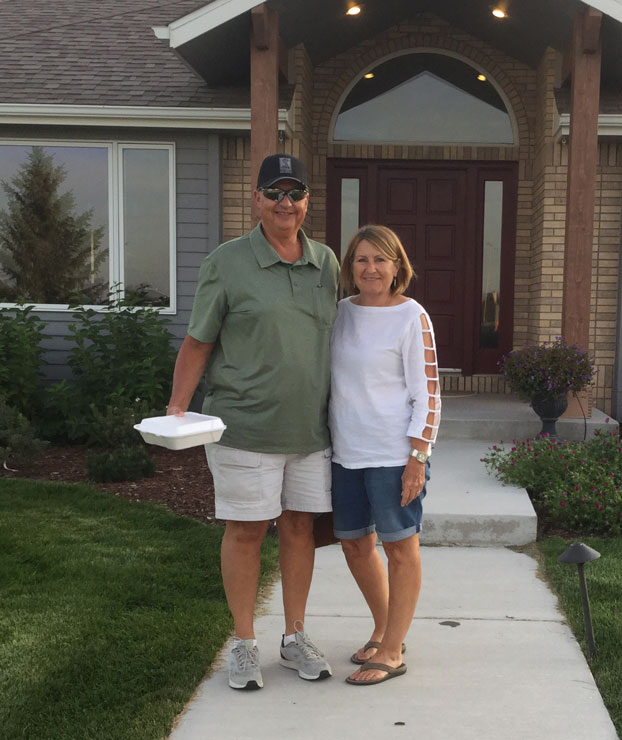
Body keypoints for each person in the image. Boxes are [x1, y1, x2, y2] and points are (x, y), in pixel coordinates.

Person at [167, 154, 339, 690]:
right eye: (275, 192)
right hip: (244, 428)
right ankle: (243, 644)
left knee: (299, 530)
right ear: (257, 198)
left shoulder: (327, 263)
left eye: (295, 192)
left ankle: (294, 637)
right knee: (245, 532)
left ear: (307, 200)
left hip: (310, 432)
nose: (286, 203)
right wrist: (176, 410)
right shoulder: (226, 262)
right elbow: (199, 341)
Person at [328, 224, 441, 686]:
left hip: (394, 453)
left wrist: (418, 456)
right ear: (350, 267)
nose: (370, 268)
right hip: (344, 451)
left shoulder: (412, 316)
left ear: (397, 266)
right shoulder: (340, 313)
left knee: (399, 548)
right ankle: (383, 629)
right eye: (361, 259)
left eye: (380, 259)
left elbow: (428, 393)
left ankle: (393, 649)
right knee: (355, 544)